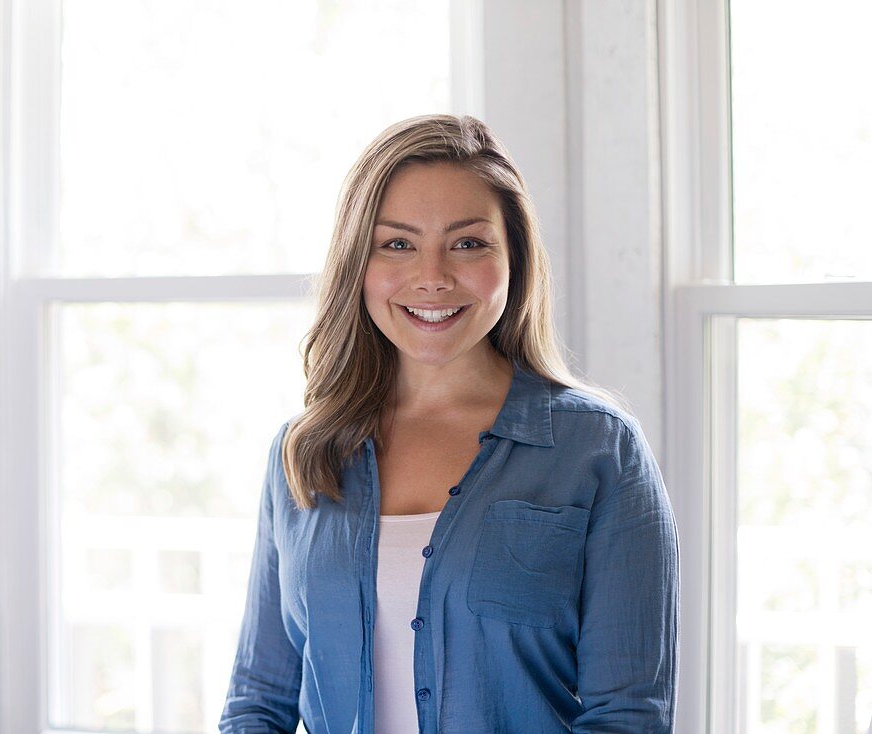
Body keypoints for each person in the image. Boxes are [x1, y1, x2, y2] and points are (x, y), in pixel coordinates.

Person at [220, 114, 679, 732]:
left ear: (513, 256)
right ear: (358, 261)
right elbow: (257, 702)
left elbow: (627, 717)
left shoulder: (598, 450)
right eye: (398, 243)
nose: (433, 276)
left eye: (468, 243)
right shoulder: (305, 450)